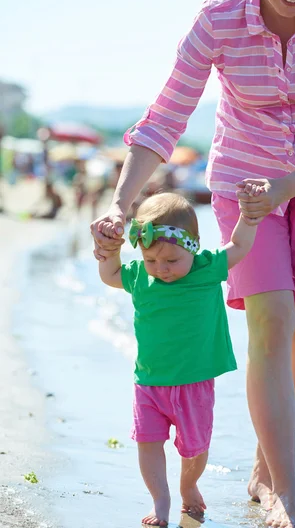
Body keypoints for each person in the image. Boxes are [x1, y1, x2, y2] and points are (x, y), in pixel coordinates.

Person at [91, 0, 295, 526]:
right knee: (271, 323)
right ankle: (286, 492)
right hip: (244, 183)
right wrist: (123, 201)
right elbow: (167, 115)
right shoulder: (219, 18)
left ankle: (264, 467)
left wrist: (288, 185)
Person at [97, 191, 259, 526]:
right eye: (152, 260)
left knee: (195, 449)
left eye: (171, 261)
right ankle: (161, 501)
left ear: (193, 245)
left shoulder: (207, 268)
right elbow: (111, 275)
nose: (162, 269)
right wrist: (109, 251)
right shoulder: (141, 275)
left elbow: (239, 247)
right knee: (147, 443)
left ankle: (188, 485)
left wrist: (249, 216)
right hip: (149, 383)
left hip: (194, 383)